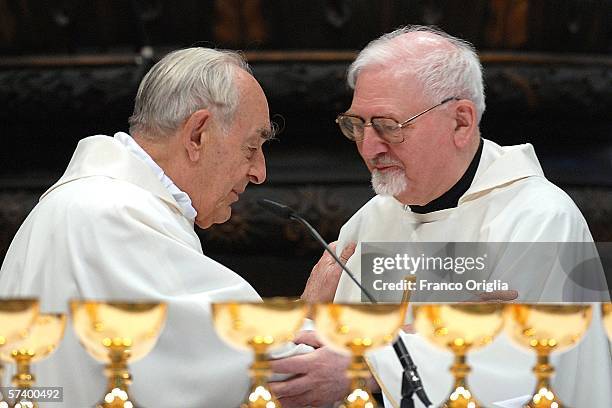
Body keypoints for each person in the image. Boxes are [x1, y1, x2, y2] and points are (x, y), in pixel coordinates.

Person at [270, 25, 611, 407]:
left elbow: (514, 369)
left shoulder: (540, 221)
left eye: (387, 126)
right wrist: (307, 314)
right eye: (357, 125)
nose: (368, 147)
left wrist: (366, 367)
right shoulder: (370, 221)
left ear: (461, 122)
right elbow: (320, 360)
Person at [0, 47, 349, 407]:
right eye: (251, 148)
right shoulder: (116, 215)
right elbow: (264, 371)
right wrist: (363, 357)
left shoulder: (81, 204)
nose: (259, 172)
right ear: (197, 134)